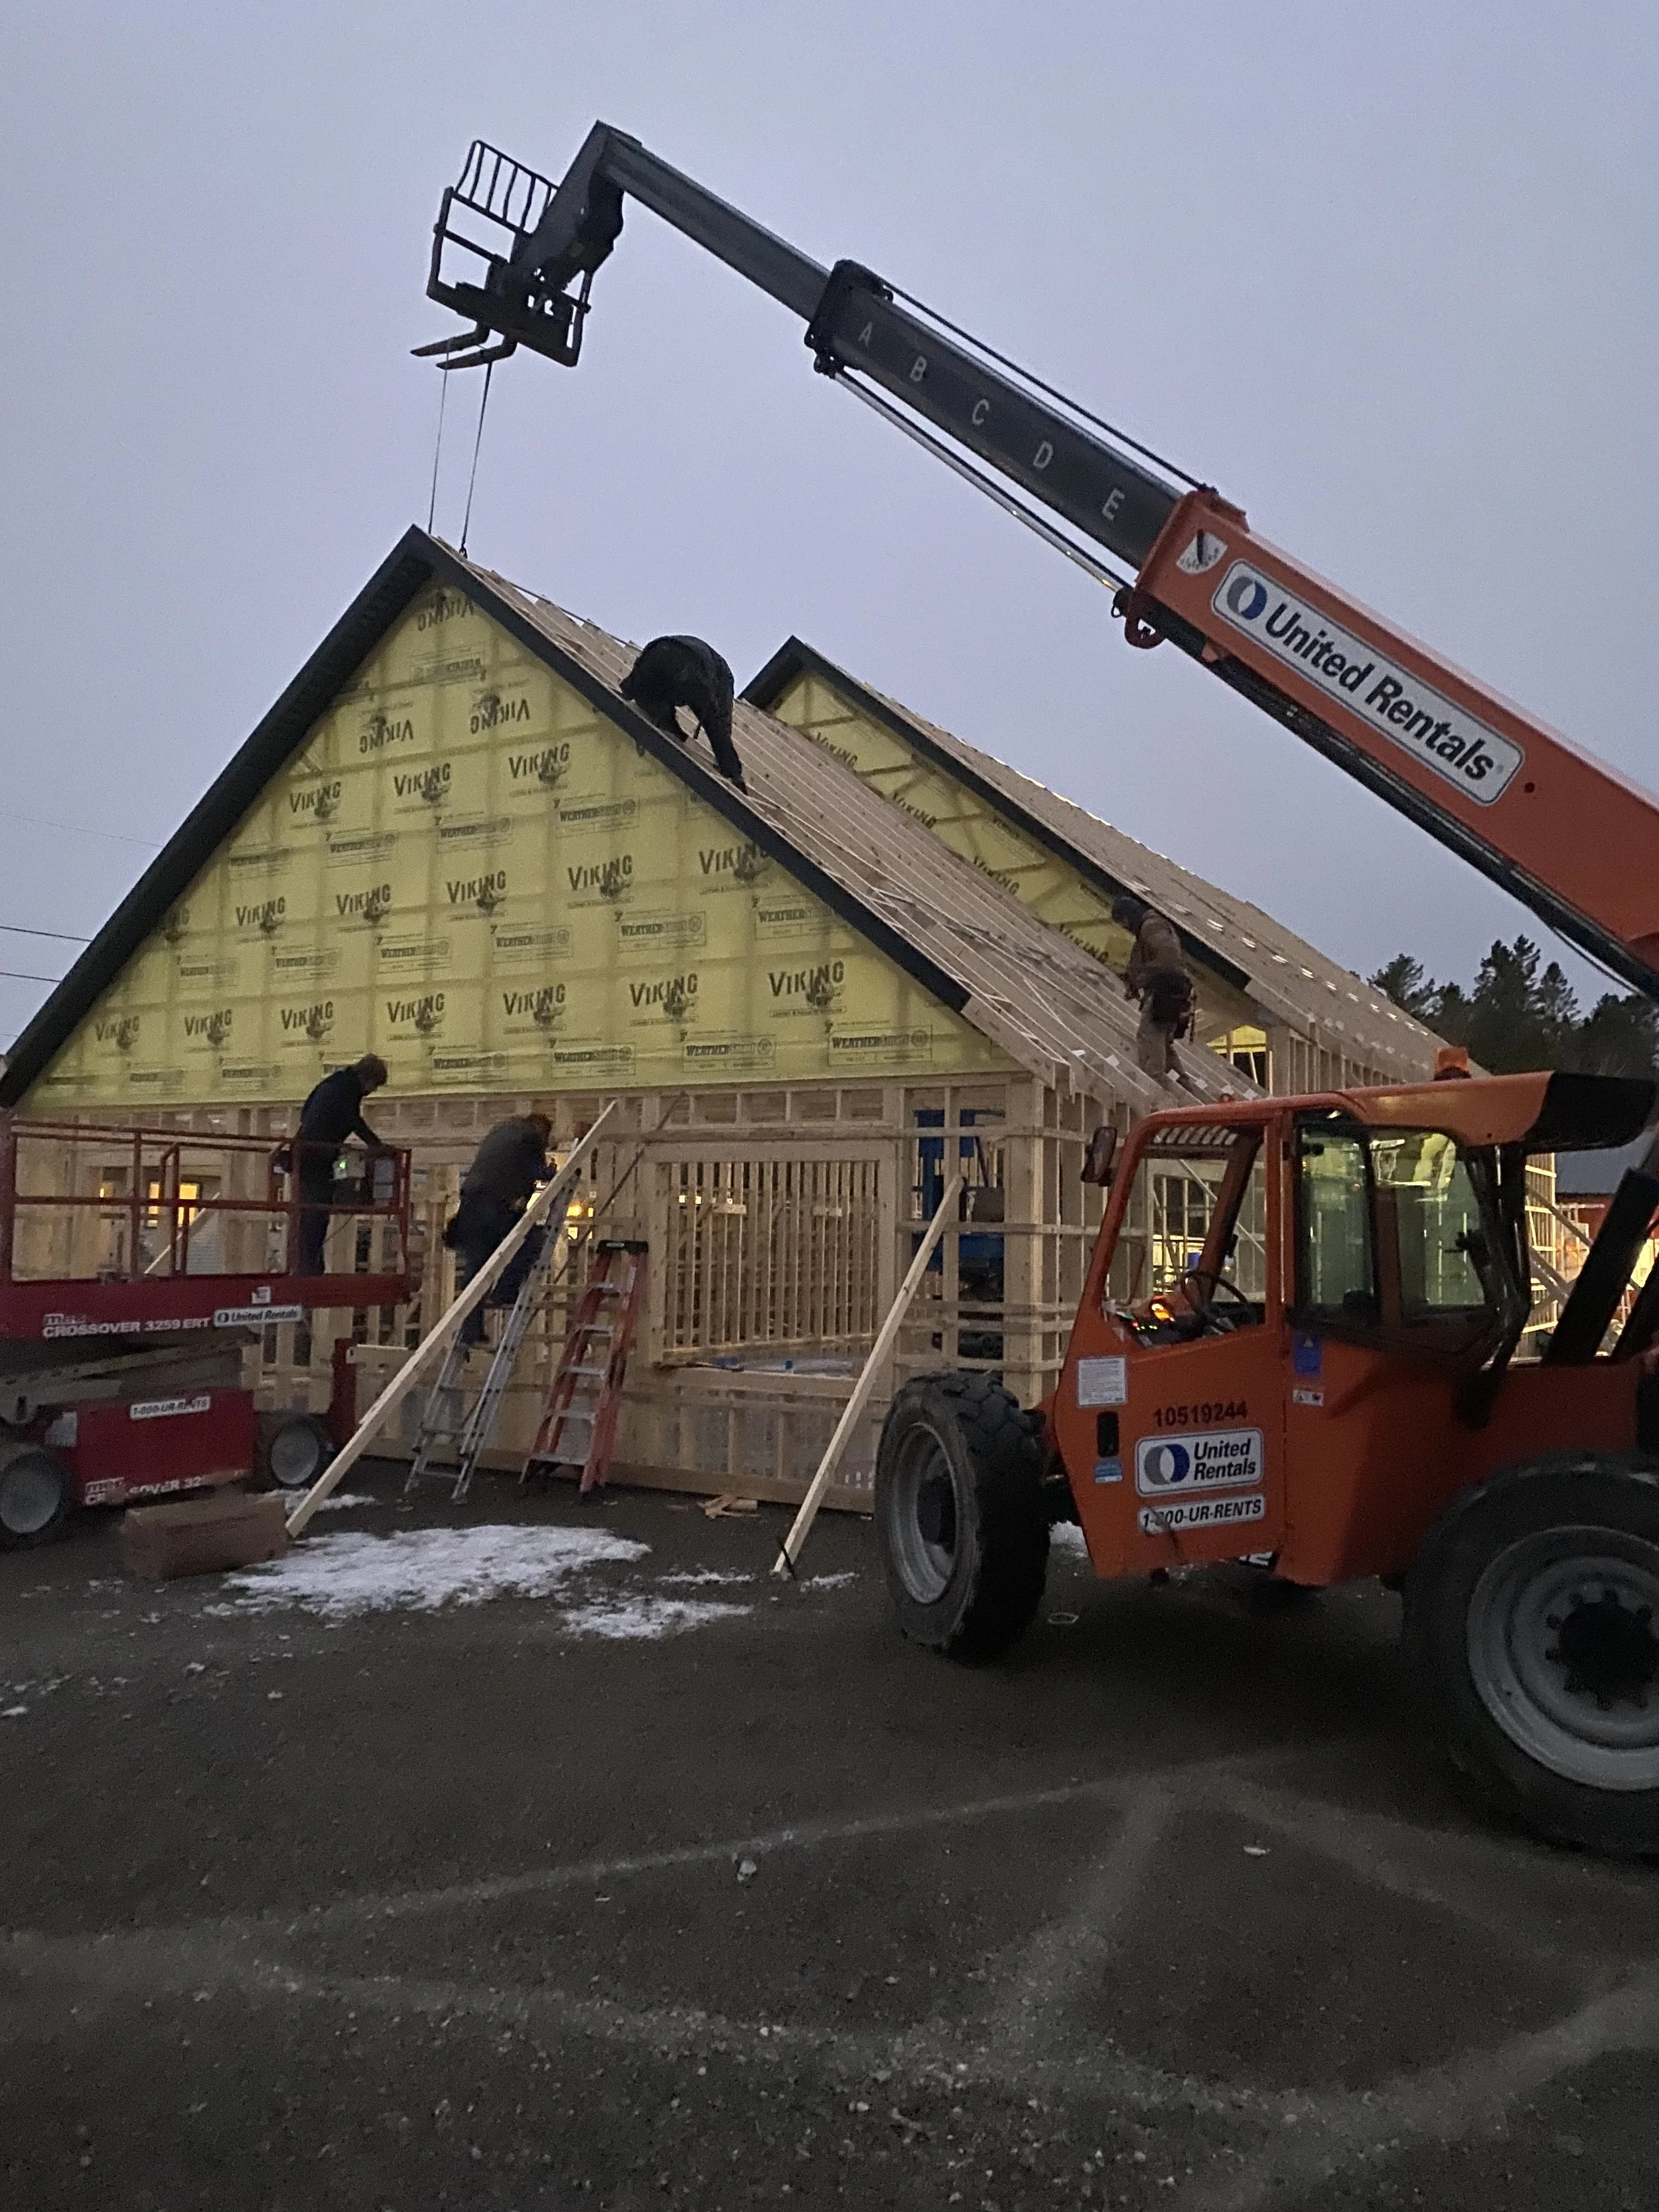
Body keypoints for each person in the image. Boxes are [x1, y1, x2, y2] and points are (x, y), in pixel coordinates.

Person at [444, 1112, 553, 1347]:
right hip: (492, 1205)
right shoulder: (531, 1138)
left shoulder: (501, 1132)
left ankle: (471, 1332)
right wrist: (551, 1173)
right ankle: (505, 1290)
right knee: (531, 1239)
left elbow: (512, 1170)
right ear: (542, 1131)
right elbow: (537, 1173)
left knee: (476, 1271)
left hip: (471, 1205)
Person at [281, 1055, 388, 1276]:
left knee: (308, 1211)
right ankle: (308, 1267)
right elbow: (353, 1120)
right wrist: (376, 1145)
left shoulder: (332, 1083)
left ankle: (305, 1264)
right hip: (316, 1156)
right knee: (316, 1213)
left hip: (307, 1151)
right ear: (367, 1078)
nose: (371, 1091)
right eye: (374, 1086)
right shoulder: (347, 1090)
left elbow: (307, 1112)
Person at [1110, 895, 1197, 1090]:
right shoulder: (1152, 927)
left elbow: (1168, 958)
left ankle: (1160, 1087)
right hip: (1172, 993)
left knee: (1149, 1039)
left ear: (1130, 916)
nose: (1124, 927)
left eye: (1123, 921)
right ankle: (1183, 1087)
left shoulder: (1151, 927)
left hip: (1164, 993)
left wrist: (1141, 978)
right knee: (1164, 1045)